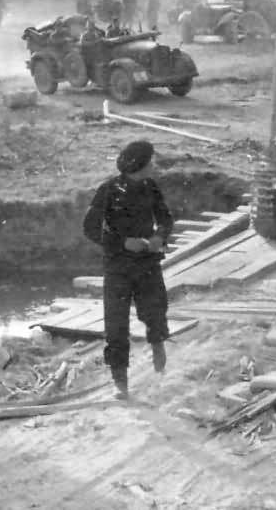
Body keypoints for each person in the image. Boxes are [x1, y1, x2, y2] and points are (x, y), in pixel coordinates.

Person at [83, 140, 174, 399]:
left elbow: (166, 218)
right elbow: (90, 228)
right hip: (118, 266)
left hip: (147, 263)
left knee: (155, 311)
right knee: (116, 325)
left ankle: (159, 356)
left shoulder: (151, 187)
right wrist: (122, 242)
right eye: (151, 161)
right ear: (139, 164)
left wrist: (160, 237)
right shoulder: (109, 190)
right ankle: (120, 382)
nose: (154, 165)